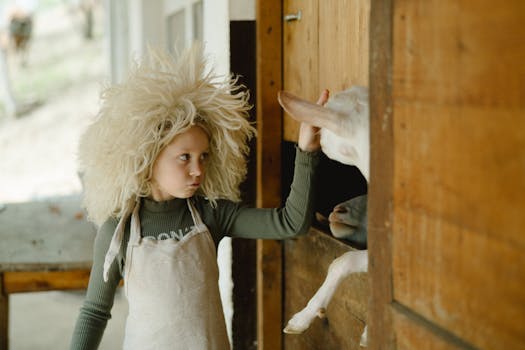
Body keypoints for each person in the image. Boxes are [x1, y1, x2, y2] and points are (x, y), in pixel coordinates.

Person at [70, 43, 328, 349]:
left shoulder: (211, 214)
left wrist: (307, 151)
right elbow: (95, 311)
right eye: (184, 158)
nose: (198, 170)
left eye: (204, 157)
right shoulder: (119, 231)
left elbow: (291, 223)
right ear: (148, 158)